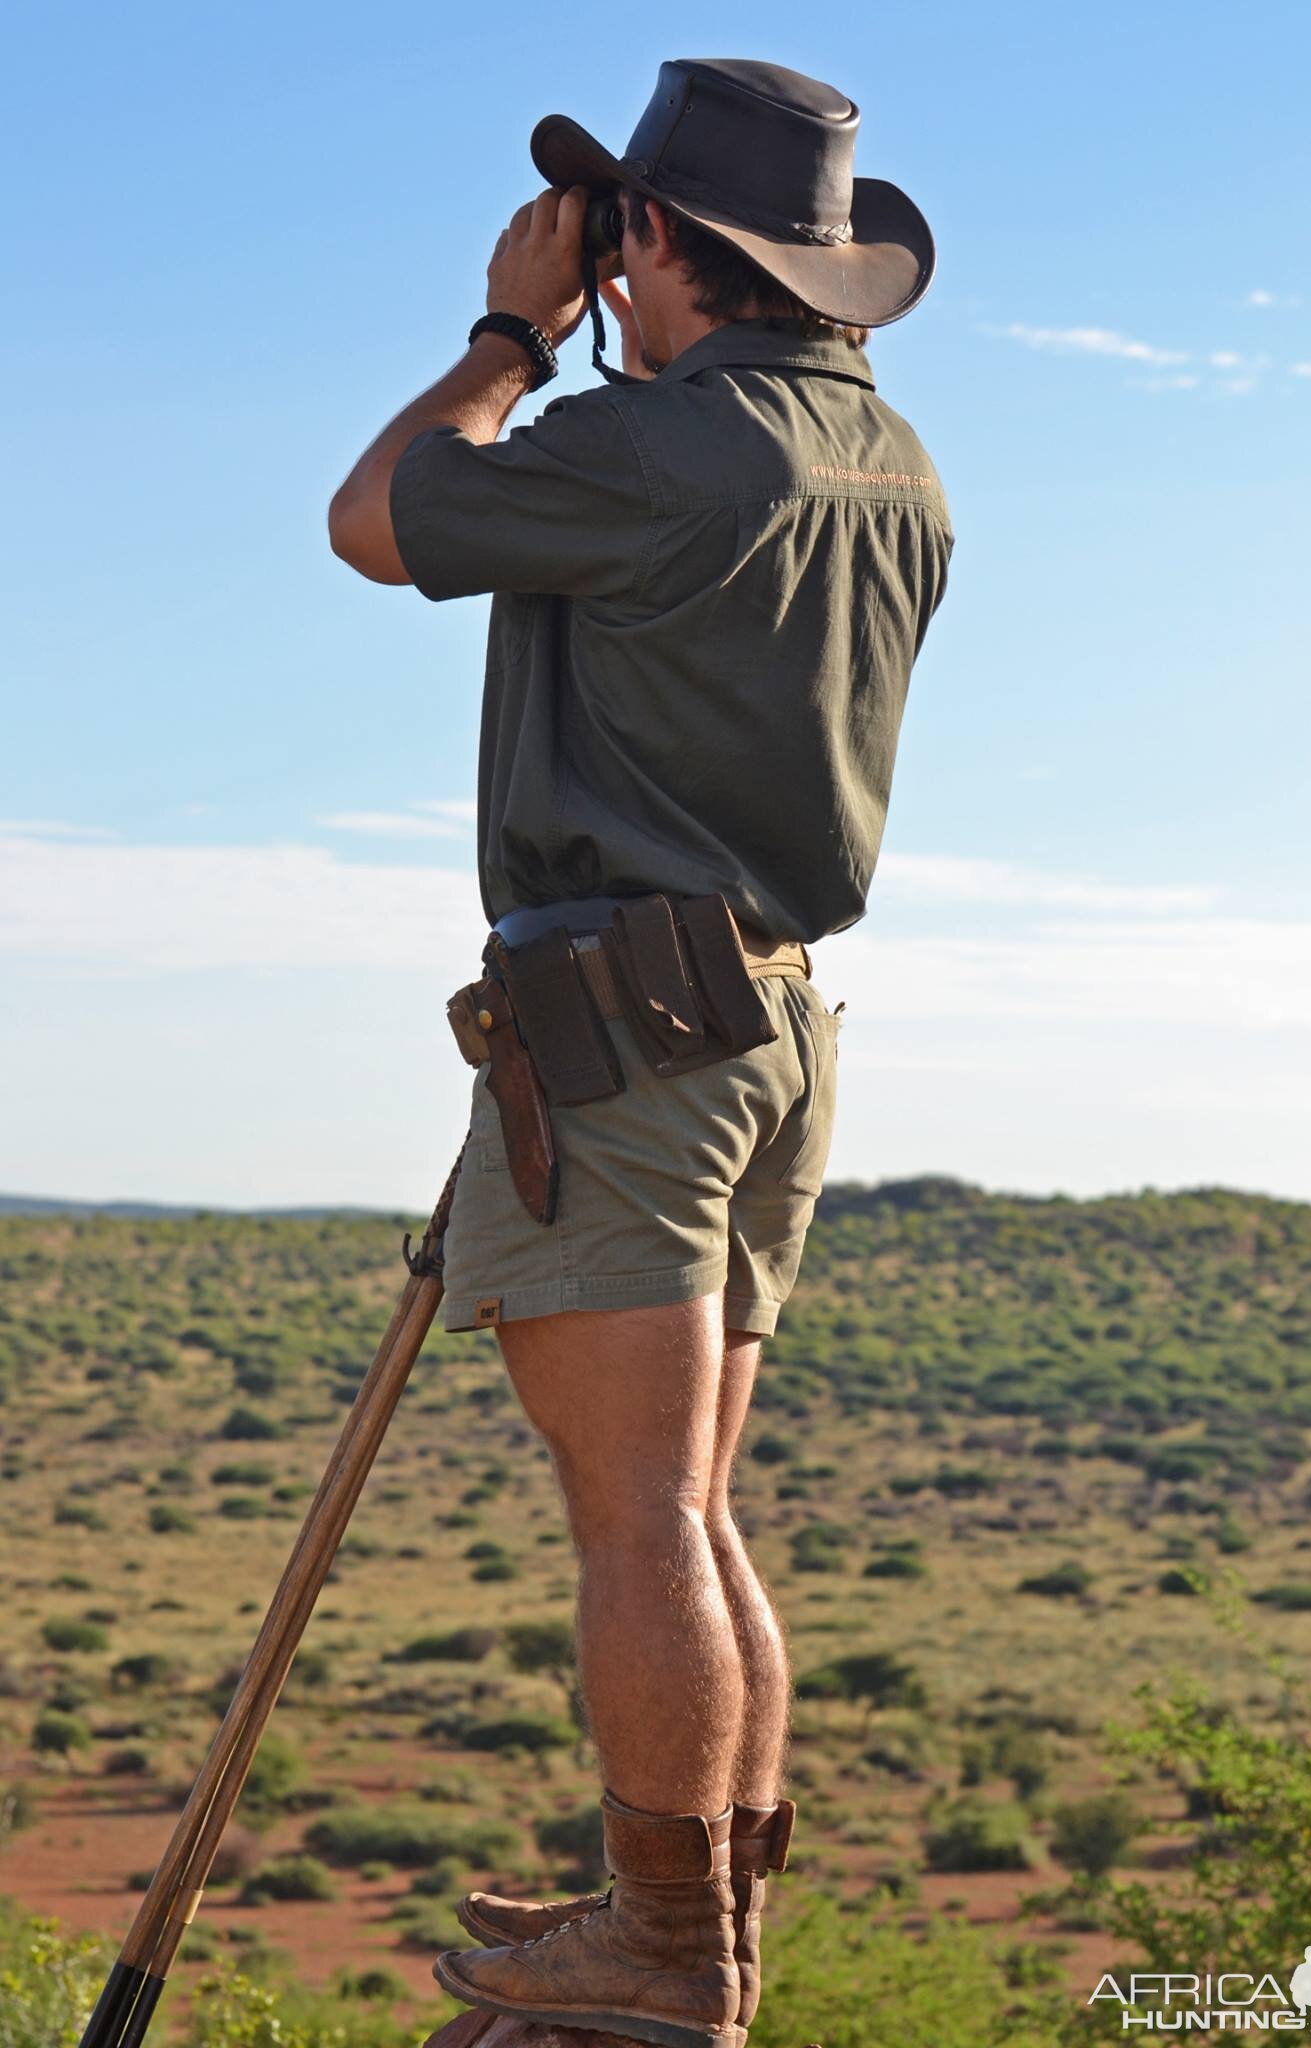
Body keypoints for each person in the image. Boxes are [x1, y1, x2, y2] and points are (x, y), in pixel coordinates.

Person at [329, 56, 953, 2048]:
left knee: (634, 1518)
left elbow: (376, 517)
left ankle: (661, 1951)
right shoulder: (893, 463)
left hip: (623, 1028)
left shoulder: (665, 446)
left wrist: (510, 328)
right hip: (772, 1015)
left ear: (660, 243)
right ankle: (702, 1921)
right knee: (690, 1506)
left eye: (618, 231)